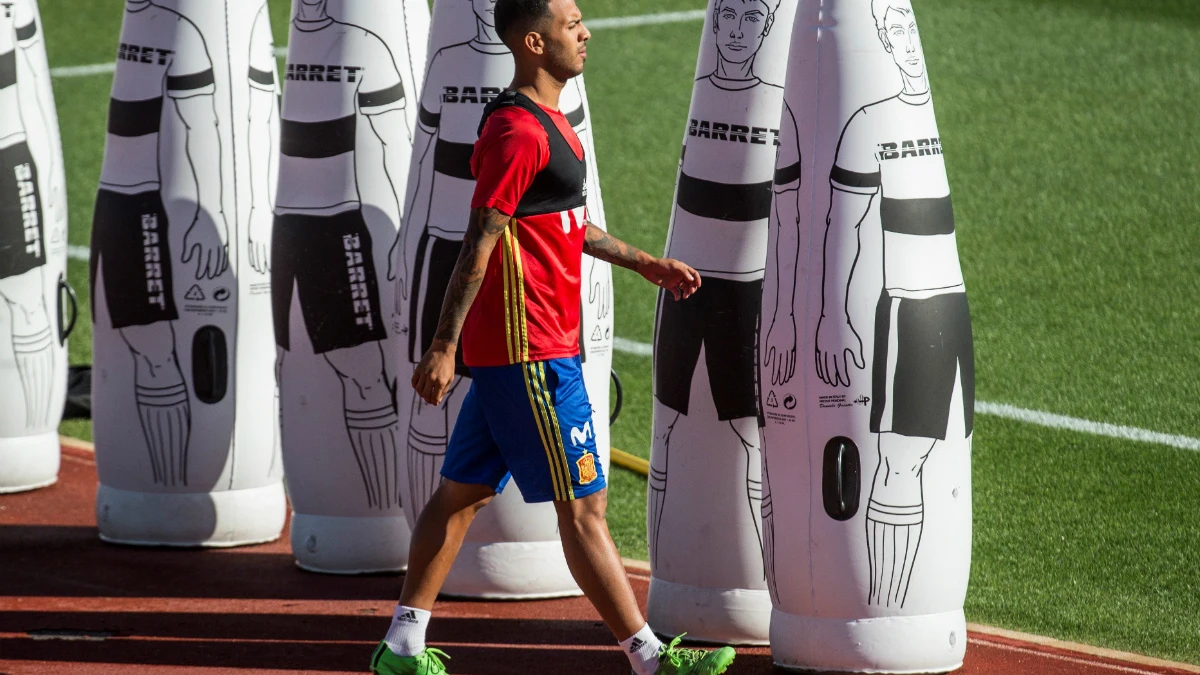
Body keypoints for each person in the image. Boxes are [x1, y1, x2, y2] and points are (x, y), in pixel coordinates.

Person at [368, 0, 737, 672]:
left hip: (527, 350)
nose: (587, 32)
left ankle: (400, 645)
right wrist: (444, 345)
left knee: (461, 494)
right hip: (532, 351)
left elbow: (564, 223)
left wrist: (642, 262)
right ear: (535, 43)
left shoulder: (546, 120)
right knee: (585, 507)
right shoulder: (518, 132)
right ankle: (649, 658)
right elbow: (479, 239)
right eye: (572, 25)